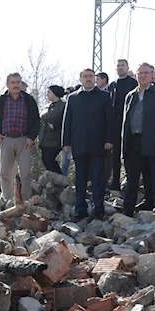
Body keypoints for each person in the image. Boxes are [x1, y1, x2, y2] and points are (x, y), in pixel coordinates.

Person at [62, 69, 114, 220]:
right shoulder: (73, 98)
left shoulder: (104, 96)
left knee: (98, 179)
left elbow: (110, 120)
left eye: (91, 76)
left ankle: (98, 208)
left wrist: (109, 140)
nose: (88, 79)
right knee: (80, 179)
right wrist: (66, 141)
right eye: (85, 77)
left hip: (98, 144)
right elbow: (67, 121)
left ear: (95, 79)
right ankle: (80, 209)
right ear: (80, 79)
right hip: (79, 144)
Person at [121, 62, 155, 216]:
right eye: (140, 73)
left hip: (153, 141)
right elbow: (125, 122)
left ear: (152, 75)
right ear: (136, 75)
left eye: (146, 73)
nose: (142, 76)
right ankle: (128, 209)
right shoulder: (131, 96)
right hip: (133, 141)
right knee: (133, 177)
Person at [0, 72, 41, 206]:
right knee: (5, 172)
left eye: (18, 82)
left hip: (24, 140)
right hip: (6, 140)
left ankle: (25, 201)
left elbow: (36, 121)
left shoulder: (28, 100)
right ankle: (7, 200)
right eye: (13, 83)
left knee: (26, 172)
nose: (16, 85)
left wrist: (31, 137)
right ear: (7, 84)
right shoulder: (1, 100)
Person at [109, 59, 138, 190]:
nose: (120, 68)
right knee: (114, 155)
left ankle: (130, 182)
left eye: (123, 65)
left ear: (127, 68)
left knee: (129, 154)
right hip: (114, 125)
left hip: (130, 125)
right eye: (118, 66)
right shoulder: (112, 85)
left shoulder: (134, 84)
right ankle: (114, 181)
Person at [38, 85, 66, 174]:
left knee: (49, 159)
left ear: (55, 93)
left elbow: (67, 120)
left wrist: (56, 126)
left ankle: (61, 179)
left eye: (49, 92)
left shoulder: (63, 105)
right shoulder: (46, 106)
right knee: (45, 160)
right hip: (44, 138)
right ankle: (52, 182)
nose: (47, 94)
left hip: (55, 138)